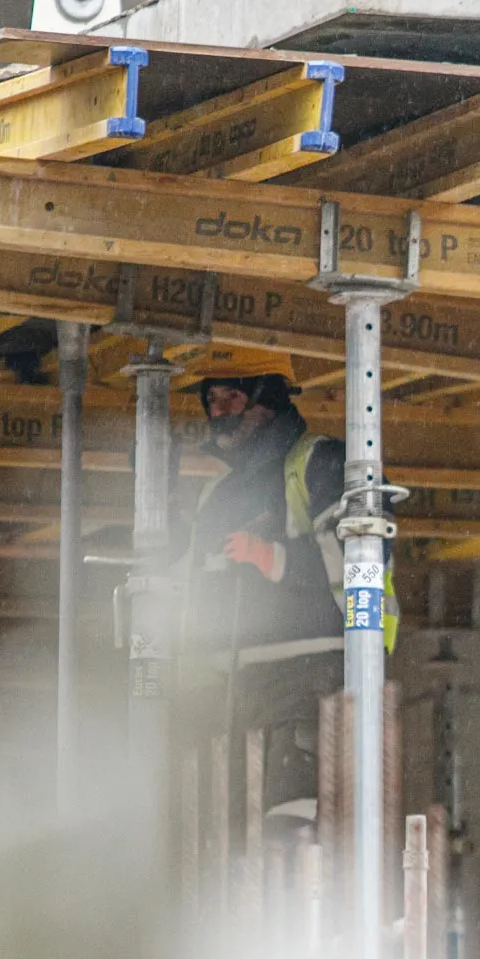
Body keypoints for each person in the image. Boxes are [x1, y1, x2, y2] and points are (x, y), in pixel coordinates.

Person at [177, 346, 394, 825]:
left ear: (268, 397)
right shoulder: (219, 494)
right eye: (211, 401)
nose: (219, 413)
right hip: (235, 692)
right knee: (234, 839)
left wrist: (271, 557)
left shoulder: (321, 461)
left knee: (291, 832)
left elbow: (363, 558)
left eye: (231, 398)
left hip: (310, 682)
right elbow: (193, 590)